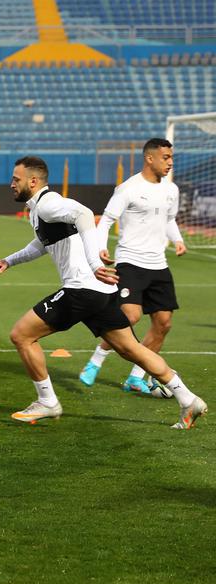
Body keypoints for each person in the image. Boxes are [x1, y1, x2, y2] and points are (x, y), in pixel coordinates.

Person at [0, 156, 206, 428]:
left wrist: (93, 264)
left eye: (16, 179)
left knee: (21, 335)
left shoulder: (49, 203)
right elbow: (41, 245)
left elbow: (85, 214)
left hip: (82, 289)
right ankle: (188, 399)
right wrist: (8, 260)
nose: (11, 184)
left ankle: (47, 402)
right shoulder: (39, 210)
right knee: (131, 349)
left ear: (33, 181)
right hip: (100, 291)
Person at [79, 138, 186, 393]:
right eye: (165, 158)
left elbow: (170, 219)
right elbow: (105, 221)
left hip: (158, 264)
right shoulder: (128, 188)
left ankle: (137, 376)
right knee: (130, 316)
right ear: (150, 158)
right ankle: (95, 362)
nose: (170, 162)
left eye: (171, 157)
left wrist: (178, 240)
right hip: (130, 261)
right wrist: (100, 248)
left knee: (163, 323)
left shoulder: (172, 190)